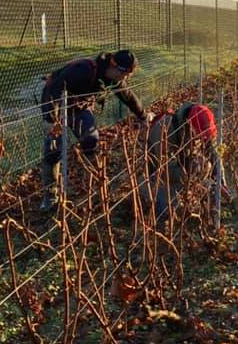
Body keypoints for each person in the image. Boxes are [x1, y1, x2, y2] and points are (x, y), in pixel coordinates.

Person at [40, 49, 149, 212]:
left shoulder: (114, 80)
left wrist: (143, 116)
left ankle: (92, 185)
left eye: (128, 76)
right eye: (124, 74)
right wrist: (50, 120)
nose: (125, 79)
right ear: (114, 66)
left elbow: (128, 97)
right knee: (53, 149)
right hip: (56, 104)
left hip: (79, 107)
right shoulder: (84, 70)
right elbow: (53, 88)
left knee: (90, 139)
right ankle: (50, 197)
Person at [146, 102, 225, 221]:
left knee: (204, 166)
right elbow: (163, 168)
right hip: (156, 173)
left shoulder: (195, 123)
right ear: (189, 124)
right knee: (170, 209)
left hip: (180, 165)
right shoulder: (165, 131)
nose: (202, 139)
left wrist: (220, 181)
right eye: (199, 135)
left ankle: (187, 192)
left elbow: (213, 154)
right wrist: (191, 173)